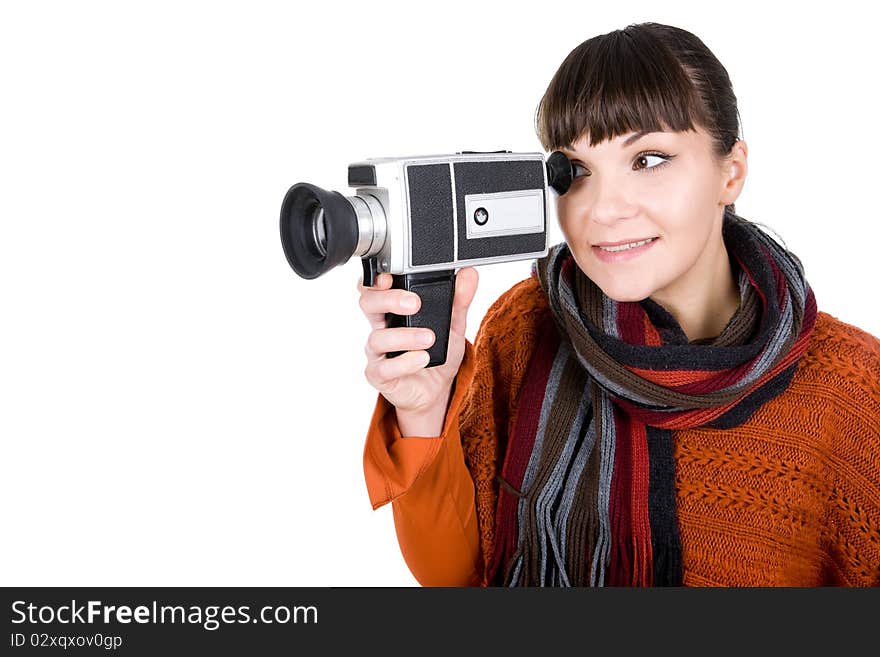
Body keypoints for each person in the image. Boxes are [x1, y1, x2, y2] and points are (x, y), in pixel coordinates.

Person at [356, 22, 880, 587]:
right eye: (575, 171)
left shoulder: (848, 387)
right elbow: (458, 577)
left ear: (731, 171)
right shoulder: (526, 324)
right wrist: (424, 409)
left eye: (649, 160)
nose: (602, 210)